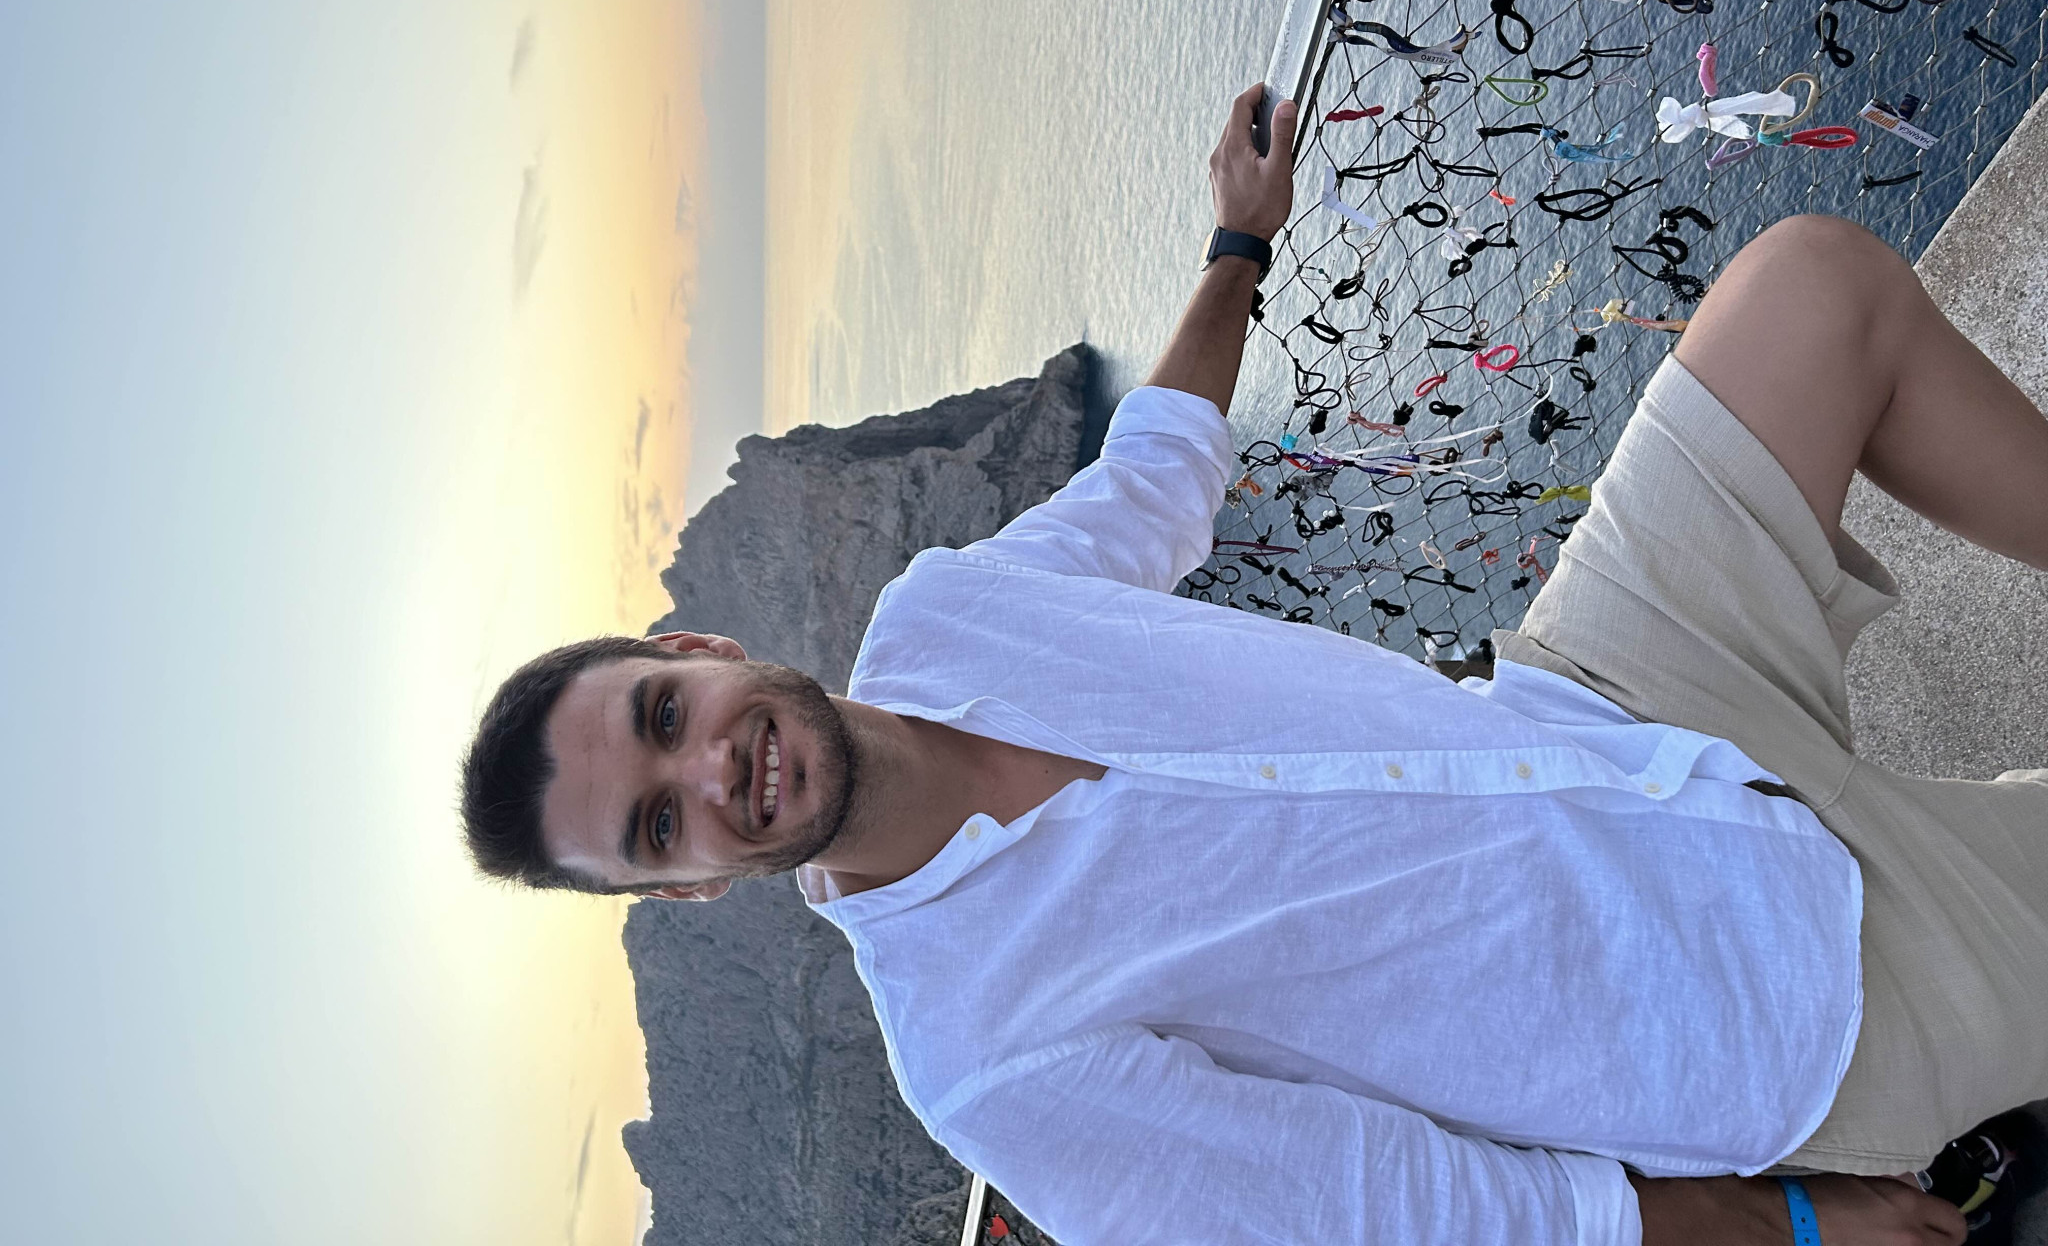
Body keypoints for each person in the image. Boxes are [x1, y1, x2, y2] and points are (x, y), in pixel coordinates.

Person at [459, 84, 2048, 1246]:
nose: (710, 770)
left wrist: (1238, 240)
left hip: (1599, 713)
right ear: (687, 889)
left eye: (662, 717)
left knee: (1810, 293)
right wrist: (1783, 1226)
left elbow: (1151, 478)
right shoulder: (984, 1057)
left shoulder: (944, 617)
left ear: (699, 652)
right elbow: (1388, 1211)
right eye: (657, 823)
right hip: (1742, 1003)